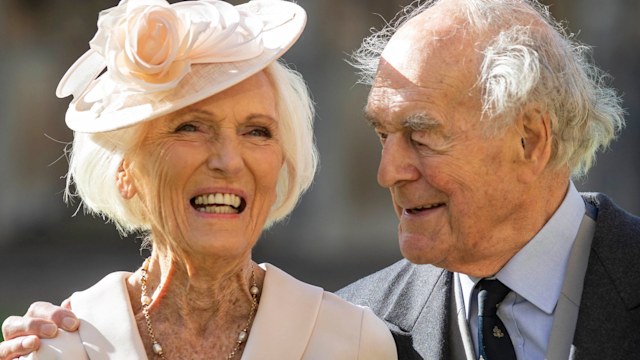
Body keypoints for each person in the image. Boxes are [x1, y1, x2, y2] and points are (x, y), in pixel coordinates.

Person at [3, 0, 640, 359]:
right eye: (382, 137)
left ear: (529, 140)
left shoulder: (351, 338)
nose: (387, 172)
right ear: (127, 168)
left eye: (421, 135)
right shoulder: (367, 324)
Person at [0, 0, 398, 359]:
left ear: (281, 164)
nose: (228, 160)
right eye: (190, 127)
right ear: (126, 170)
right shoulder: (60, 345)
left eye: (257, 131)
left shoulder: (356, 342)